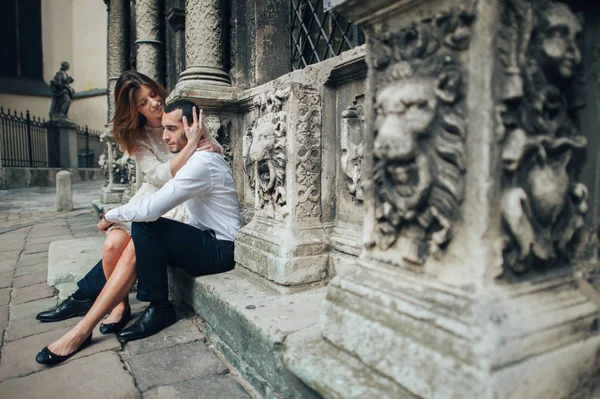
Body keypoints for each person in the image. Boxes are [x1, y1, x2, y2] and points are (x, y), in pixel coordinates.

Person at [34, 72, 220, 364]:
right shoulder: (137, 135)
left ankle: (82, 316)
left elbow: (212, 153)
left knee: (133, 249)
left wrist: (196, 140)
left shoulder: (181, 113)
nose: (155, 103)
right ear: (135, 109)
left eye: (153, 94)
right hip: (152, 192)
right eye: (144, 102)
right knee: (111, 245)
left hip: (176, 199)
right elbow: (157, 175)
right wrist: (190, 146)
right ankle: (118, 305)